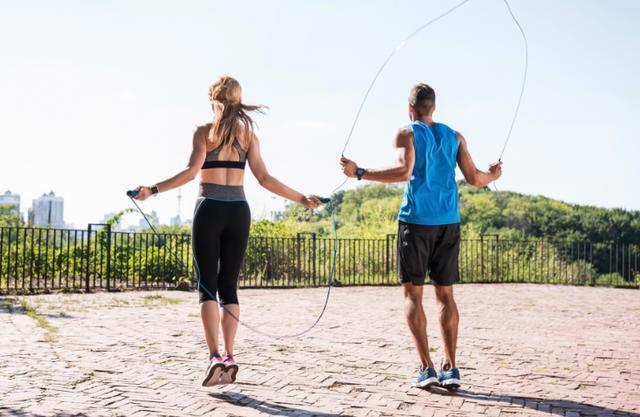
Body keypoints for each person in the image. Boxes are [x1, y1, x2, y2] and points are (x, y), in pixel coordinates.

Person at [132, 75, 324, 386]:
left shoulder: (204, 132)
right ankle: (231, 355)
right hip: (239, 211)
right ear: (237, 100)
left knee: (207, 287)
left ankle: (214, 357)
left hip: (209, 207)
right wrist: (302, 198)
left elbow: (190, 172)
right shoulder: (248, 135)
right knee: (229, 287)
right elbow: (265, 178)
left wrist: (151, 190)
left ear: (212, 100)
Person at [339, 83, 502, 390]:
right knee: (446, 296)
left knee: (413, 295)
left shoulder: (406, 132)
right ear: (434, 108)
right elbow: (476, 178)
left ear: (410, 107)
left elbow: (404, 172)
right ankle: (451, 368)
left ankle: (427, 367)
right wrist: (494, 174)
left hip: (416, 223)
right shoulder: (454, 136)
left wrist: (359, 172)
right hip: (448, 223)